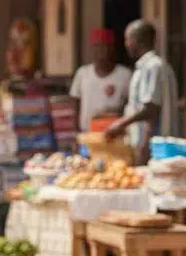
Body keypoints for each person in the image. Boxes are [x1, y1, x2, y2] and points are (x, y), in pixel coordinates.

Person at [105, 20, 179, 163]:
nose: (126, 44)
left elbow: (150, 109)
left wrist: (121, 124)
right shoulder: (152, 66)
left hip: (155, 147)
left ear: (137, 41)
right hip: (153, 146)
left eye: (128, 39)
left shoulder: (152, 67)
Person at [69, 27, 132, 131]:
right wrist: (76, 133)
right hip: (88, 134)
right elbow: (75, 106)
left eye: (107, 46)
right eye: (99, 46)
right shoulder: (82, 73)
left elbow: (131, 106)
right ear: (92, 49)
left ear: (113, 49)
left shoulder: (125, 74)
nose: (104, 51)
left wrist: (113, 112)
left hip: (115, 134)